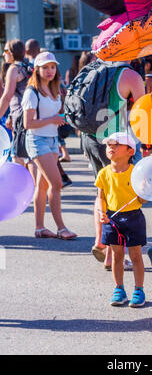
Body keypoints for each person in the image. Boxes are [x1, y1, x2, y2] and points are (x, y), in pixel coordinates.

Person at [82, 60, 145, 269]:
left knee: (102, 190)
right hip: (118, 140)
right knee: (121, 190)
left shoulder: (95, 70)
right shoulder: (129, 75)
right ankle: (114, 254)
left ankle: (101, 243)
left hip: (90, 136)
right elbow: (142, 111)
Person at [22, 51, 77, 239]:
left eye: (52, 67)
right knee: (57, 183)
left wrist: (61, 118)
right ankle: (61, 228)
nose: (49, 71)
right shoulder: (32, 92)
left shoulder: (54, 90)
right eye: (45, 67)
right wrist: (52, 119)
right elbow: (27, 124)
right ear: (37, 70)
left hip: (52, 140)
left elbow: (54, 116)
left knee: (43, 185)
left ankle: (39, 228)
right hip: (37, 140)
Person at [95, 132, 147, 307]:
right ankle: (119, 289)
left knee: (136, 256)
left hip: (134, 217)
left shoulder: (136, 173)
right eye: (109, 145)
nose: (111, 148)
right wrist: (102, 212)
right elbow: (101, 197)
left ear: (130, 151)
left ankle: (139, 290)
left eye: (116, 145)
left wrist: (143, 194)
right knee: (117, 256)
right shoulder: (103, 173)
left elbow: (143, 198)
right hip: (112, 218)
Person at [0, 39, 37, 180]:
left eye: (5, 51)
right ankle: (37, 189)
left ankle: (26, 190)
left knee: (18, 156)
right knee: (32, 154)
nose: (3, 55)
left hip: (20, 117)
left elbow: (7, 96)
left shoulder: (14, 69)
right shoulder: (30, 66)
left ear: (10, 52)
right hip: (33, 113)